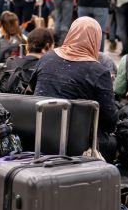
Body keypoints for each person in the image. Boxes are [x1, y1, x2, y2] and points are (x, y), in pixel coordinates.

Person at [32, 17, 117, 158]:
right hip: (78, 144)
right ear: (96, 39)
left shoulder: (46, 58)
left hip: (40, 136)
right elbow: (110, 122)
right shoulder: (99, 71)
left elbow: (34, 94)